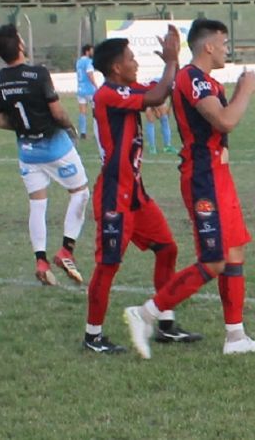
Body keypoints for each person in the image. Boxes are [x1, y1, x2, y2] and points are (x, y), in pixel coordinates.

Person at [123, 19, 255, 359]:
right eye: (224, 43)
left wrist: (237, 93)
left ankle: (235, 337)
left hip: (219, 175)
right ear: (209, 45)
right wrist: (245, 90)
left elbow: (222, 121)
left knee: (234, 253)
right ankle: (145, 313)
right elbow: (225, 121)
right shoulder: (192, 78)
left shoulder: (204, 80)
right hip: (204, 178)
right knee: (214, 260)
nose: (226, 49)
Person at [84, 26, 202, 354]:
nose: (135, 63)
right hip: (114, 196)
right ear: (116, 68)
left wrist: (174, 64)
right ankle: (93, 336)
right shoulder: (107, 94)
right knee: (108, 264)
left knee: (167, 249)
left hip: (135, 194)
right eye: (131, 59)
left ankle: (165, 324)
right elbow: (156, 97)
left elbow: (162, 89)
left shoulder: (125, 88)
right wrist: (171, 61)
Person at [0, 24, 89, 287]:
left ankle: (41, 262)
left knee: (37, 204)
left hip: (27, 152)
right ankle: (66, 251)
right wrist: (70, 127)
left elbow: (1, 122)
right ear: (20, 45)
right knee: (80, 192)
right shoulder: (38, 74)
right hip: (55, 147)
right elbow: (57, 113)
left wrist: (26, 128)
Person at [76, 44, 97, 141]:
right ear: (87, 51)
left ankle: (83, 133)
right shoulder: (88, 62)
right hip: (90, 90)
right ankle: (96, 131)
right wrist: (96, 85)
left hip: (80, 89)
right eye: (91, 50)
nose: (93, 52)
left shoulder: (78, 62)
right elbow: (90, 74)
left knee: (82, 112)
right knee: (95, 111)